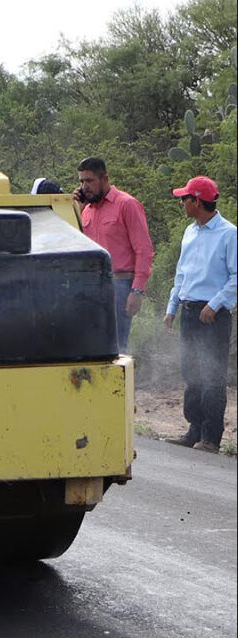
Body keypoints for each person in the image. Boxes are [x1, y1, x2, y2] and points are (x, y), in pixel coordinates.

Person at [162, 176, 237, 454]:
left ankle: (211, 436)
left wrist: (215, 304)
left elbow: (236, 277)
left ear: (196, 201)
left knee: (212, 373)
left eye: (185, 198)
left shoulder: (229, 234)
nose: (182, 203)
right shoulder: (190, 232)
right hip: (190, 310)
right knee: (191, 371)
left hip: (213, 315)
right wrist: (172, 307)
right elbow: (182, 273)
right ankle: (194, 428)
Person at [73, 157, 155, 352]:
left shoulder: (127, 204)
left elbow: (144, 249)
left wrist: (137, 291)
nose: (85, 186)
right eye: (82, 181)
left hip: (120, 284)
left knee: (117, 346)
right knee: (93, 345)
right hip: (92, 285)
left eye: (90, 181)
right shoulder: (87, 210)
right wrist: (77, 207)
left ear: (105, 178)